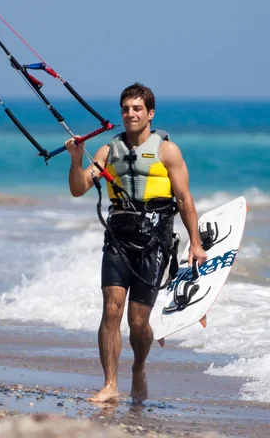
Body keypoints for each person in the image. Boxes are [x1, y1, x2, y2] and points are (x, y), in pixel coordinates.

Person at [65, 82, 207, 404]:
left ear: (150, 114)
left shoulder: (166, 151)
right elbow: (78, 188)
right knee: (111, 309)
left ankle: (139, 366)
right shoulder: (107, 151)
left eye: (137, 109)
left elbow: (184, 200)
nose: (130, 114)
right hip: (118, 239)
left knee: (138, 321)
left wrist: (195, 244)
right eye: (126, 109)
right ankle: (110, 384)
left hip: (153, 243)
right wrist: (76, 160)